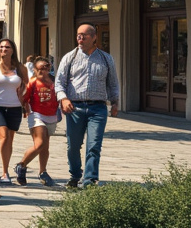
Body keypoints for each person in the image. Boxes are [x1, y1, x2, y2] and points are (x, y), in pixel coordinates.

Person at [55, 24, 120, 189]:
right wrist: (63, 99)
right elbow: (59, 82)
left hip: (97, 108)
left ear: (94, 37)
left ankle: (89, 180)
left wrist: (115, 102)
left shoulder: (106, 59)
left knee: (94, 145)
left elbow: (113, 83)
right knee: (73, 146)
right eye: (78, 35)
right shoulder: (70, 57)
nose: (80, 39)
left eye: (84, 36)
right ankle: (75, 174)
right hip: (74, 108)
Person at [0, 38, 28, 185]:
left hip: (15, 107)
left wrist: (24, 100)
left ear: (13, 50)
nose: (4, 49)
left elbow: (26, 85)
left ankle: (6, 170)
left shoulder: (20, 68)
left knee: (10, 139)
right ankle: (4, 173)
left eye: (7, 47)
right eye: (1, 47)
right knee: (4, 136)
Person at [15, 56, 58, 187]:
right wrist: (24, 106)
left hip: (51, 116)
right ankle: (21, 165)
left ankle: (43, 172)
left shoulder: (54, 81)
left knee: (45, 147)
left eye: (45, 68)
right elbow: (24, 98)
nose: (42, 71)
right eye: (39, 69)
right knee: (39, 144)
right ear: (34, 69)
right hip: (36, 115)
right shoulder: (33, 82)